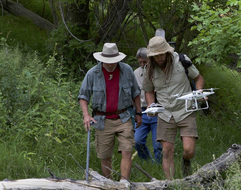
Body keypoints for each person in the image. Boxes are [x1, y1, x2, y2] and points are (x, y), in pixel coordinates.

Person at [78, 43, 142, 182]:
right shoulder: (93, 73)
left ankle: (124, 183)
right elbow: (83, 96)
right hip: (102, 119)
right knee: (105, 155)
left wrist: (138, 112)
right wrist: (86, 115)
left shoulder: (127, 70)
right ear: (102, 60)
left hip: (124, 116)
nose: (110, 65)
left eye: (113, 62)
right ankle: (109, 183)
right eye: (107, 62)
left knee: (127, 151)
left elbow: (136, 92)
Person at [143, 36, 205, 179]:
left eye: (161, 54)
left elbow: (198, 78)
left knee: (189, 150)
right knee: (166, 151)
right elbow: (148, 90)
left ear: (167, 52)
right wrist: (151, 105)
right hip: (165, 113)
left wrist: (199, 90)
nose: (159, 58)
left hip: (185, 110)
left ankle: (186, 161)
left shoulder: (182, 61)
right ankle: (170, 184)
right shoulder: (149, 69)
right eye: (155, 55)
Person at [133, 47, 162, 163]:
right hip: (142, 111)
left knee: (158, 144)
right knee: (137, 141)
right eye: (140, 62)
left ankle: (159, 165)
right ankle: (148, 162)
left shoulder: (158, 71)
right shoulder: (135, 73)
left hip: (157, 111)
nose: (142, 64)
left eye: (144, 62)